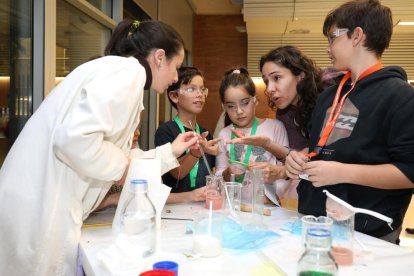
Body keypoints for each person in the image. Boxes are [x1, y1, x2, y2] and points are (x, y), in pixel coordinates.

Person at [0, 19, 200, 275]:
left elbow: (116, 155)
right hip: (40, 210)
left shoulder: (119, 72)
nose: (175, 78)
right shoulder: (126, 74)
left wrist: (170, 152)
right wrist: (122, 166)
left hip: (36, 202)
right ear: (160, 57)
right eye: (176, 67)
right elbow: (73, 141)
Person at [285, 0, 414, 243]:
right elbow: (323, 148)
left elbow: (409, 171)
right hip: (316, 221)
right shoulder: (329, 97)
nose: (327, 48)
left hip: (367, 235)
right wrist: (299, 158)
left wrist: (342, 172)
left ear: (356, 36)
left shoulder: (401, 97)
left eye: (332, 38)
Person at [229, 46, 324, 201]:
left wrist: (282, 171)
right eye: (266, 81)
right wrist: (269, 146)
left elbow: (321, 150)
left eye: (277, 78)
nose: (270, 89)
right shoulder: (284, 112)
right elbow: (293, 157)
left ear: (300, 75)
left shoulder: (325, 103)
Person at [215, 68, 289, 205]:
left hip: (267, 207)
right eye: (231, 106)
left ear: (256, 100)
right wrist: (228, 172)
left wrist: (274, 197)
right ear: (224, 108)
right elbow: (218, 177)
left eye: (245, 103)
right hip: (234, 206)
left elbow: (286, 171)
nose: (239, 111)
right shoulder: (224, 134)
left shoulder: (275, 127)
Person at [155, 67, 220, 203]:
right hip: (175, 207)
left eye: (202, 89)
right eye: (191, 89)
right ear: (174, 96)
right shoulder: (166, 130)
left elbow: (212, 173)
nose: (199, 94)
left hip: (203, 204)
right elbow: (176, 174)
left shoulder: (206, 134)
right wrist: (196, 152)